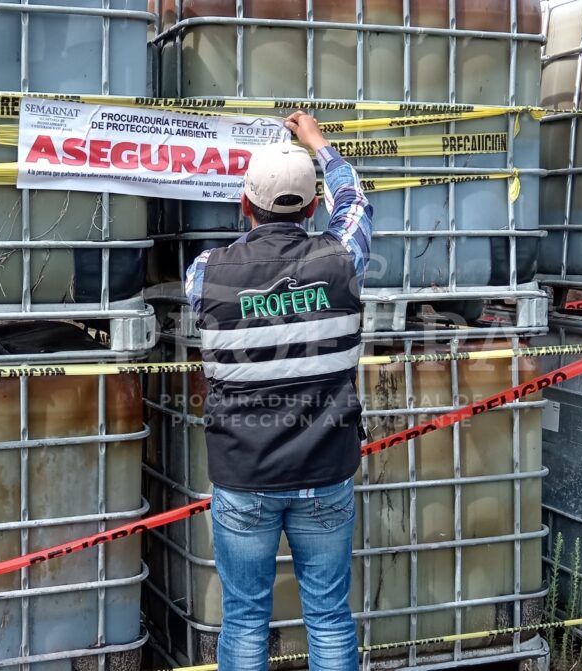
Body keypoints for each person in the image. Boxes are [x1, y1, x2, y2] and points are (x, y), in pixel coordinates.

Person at [184, 110, 372, 671]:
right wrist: (318, 143)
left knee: (244, 619)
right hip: (326, 470)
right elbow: (355, 204)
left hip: (245, 474)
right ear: (312, 208)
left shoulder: (205, 272)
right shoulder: (343, 258)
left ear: (245, 204)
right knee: (329, 616)